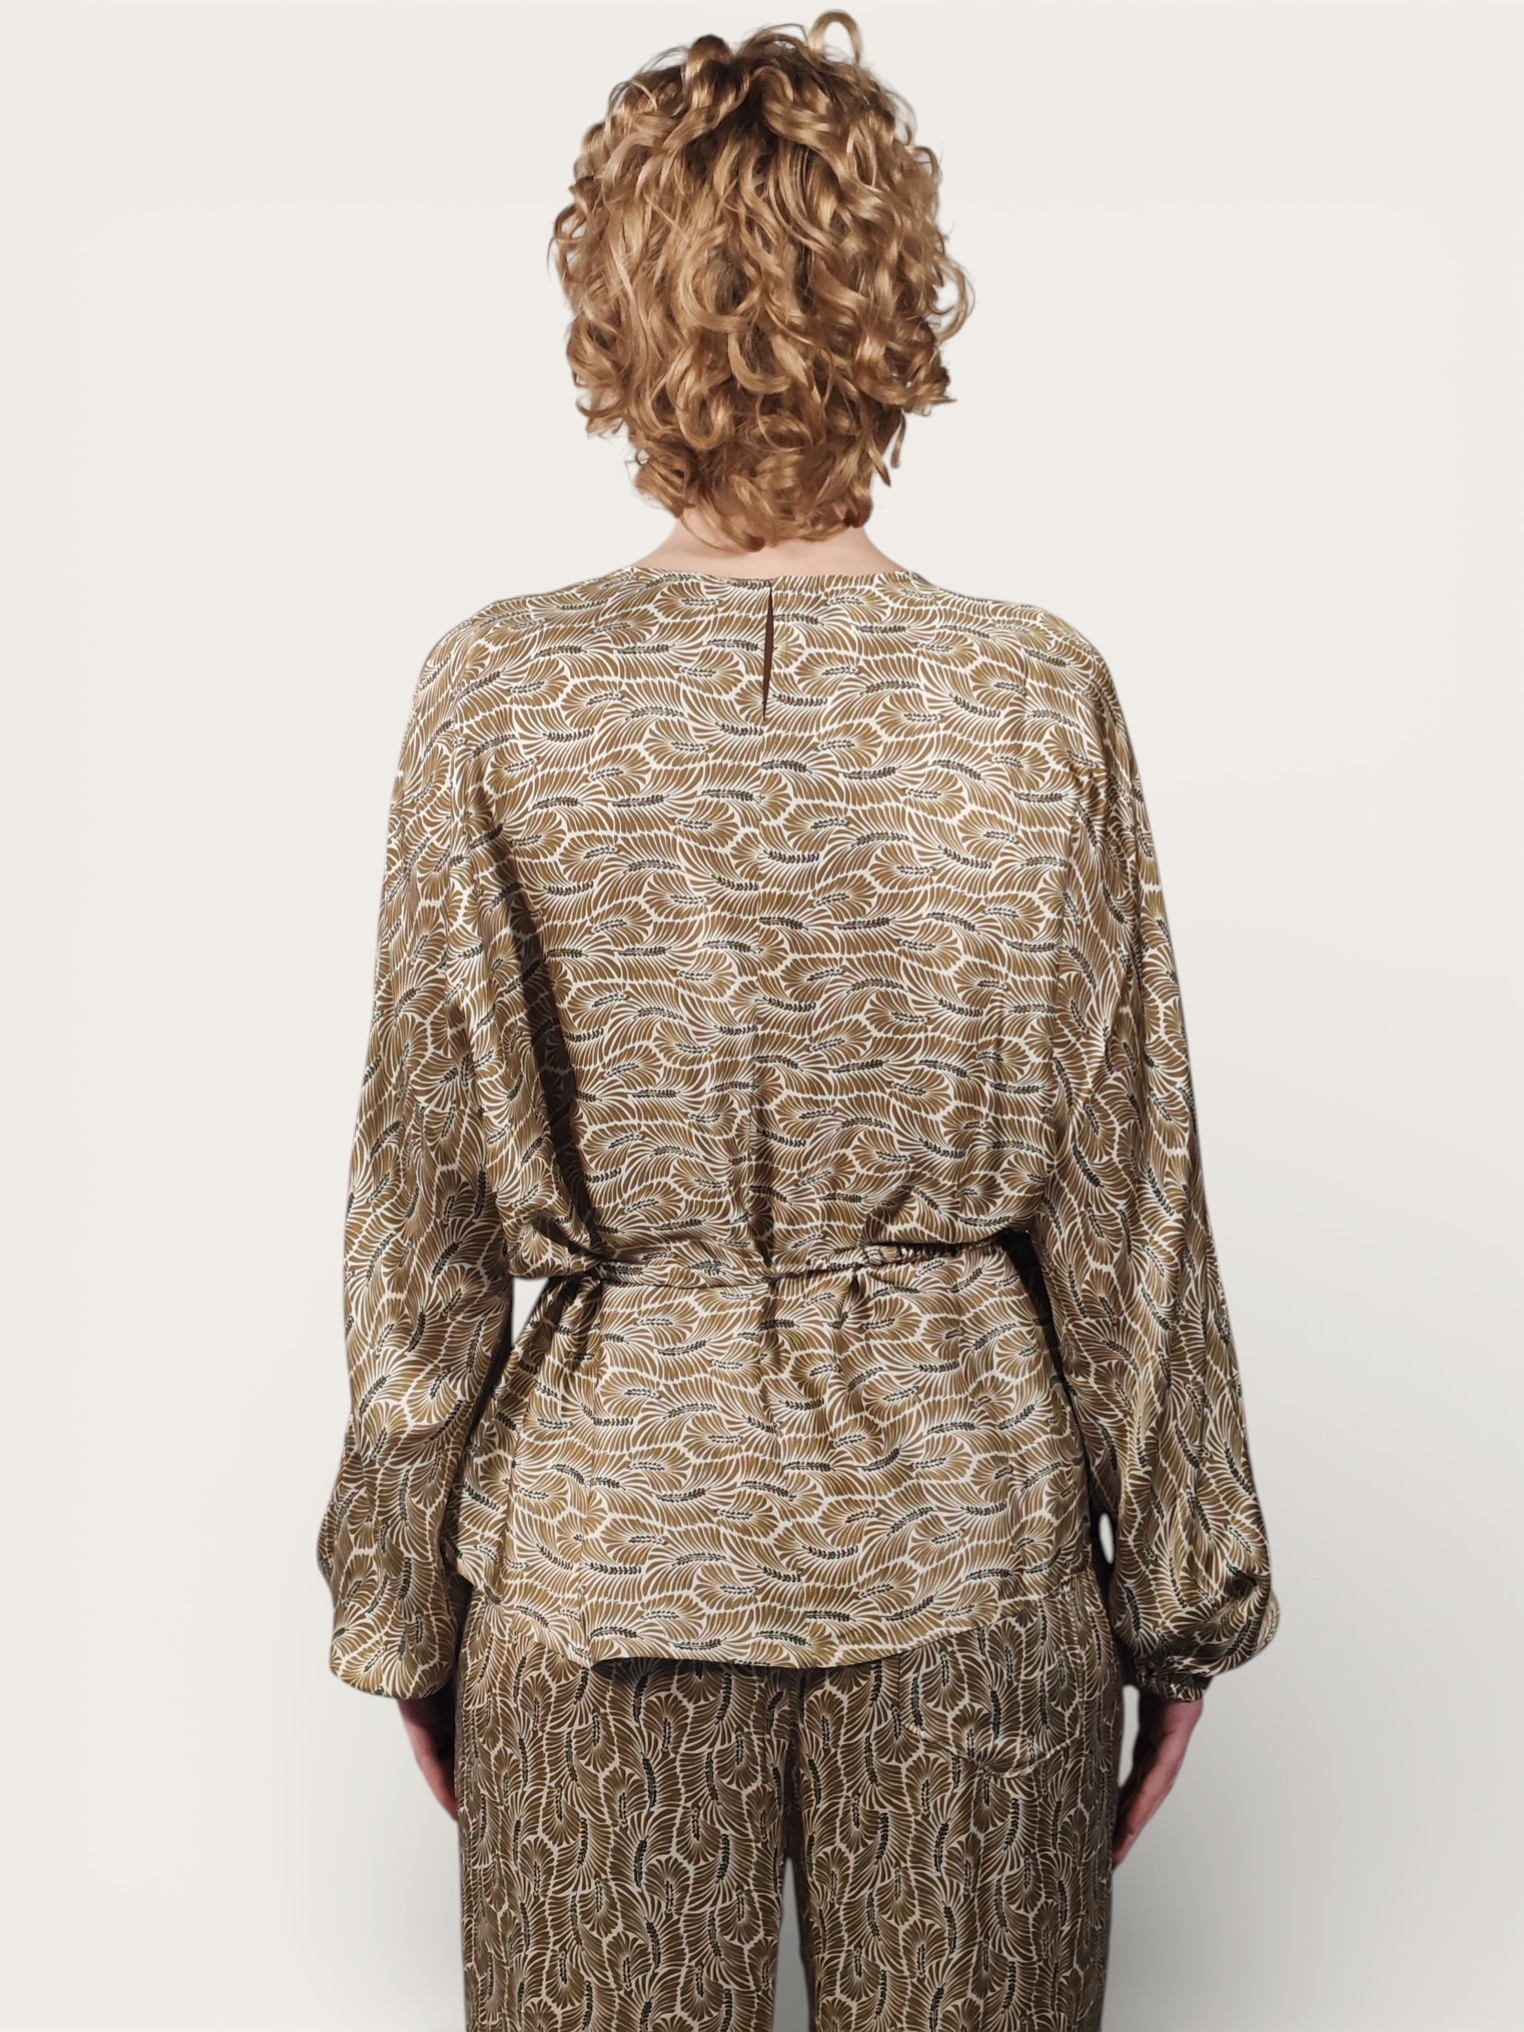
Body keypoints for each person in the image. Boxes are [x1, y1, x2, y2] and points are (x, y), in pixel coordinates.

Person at [316, 13, 1280, 2029]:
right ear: (899, 303)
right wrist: (1183, 1592)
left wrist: (401, 1596)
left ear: (613, 317)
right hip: (972, 1553)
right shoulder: (1030, 696)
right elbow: (1131, 1193)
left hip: (601, 1564)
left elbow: (424, 1217)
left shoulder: (499, 696)